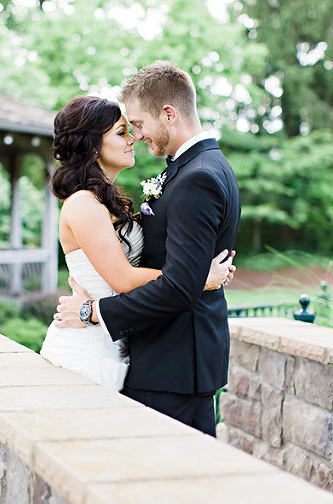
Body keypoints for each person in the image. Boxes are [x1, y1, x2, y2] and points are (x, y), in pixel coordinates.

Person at [55, 61, 241, 437]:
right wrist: (198, 279)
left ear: (168, 114)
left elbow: (178, 284)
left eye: (135, 126)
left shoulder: (196, 176)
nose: (135, 137)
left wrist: (93, 311)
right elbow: (170, 277)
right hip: (147, 354)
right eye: (125, 131)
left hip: (171, 361)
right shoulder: (197, 168)